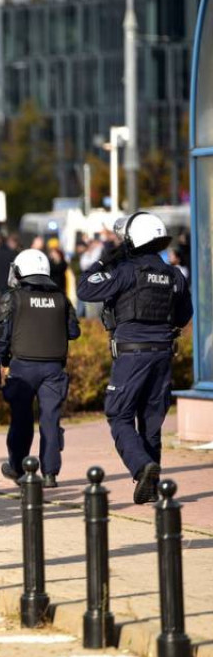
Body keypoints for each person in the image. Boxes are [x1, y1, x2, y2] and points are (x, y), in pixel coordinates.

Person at [76, 212, 192, 504]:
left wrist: (106, 259)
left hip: (131, 356)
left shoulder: (126, 272)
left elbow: (84, 288)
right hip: (163, 355)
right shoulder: (174, 275)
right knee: (151, 422)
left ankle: (142, 468)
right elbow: (184, 314)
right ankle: (151, 487)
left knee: (119, 414)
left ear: (131, 241)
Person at [0, 249, 81, 488]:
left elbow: (3, 336)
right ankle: (50, 473)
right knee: (50, 420)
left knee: (21, 420)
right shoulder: (61, 297)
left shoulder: (14, 297)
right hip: (54, 369)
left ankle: (19, 469)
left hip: (23, 368)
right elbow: (74, 332)